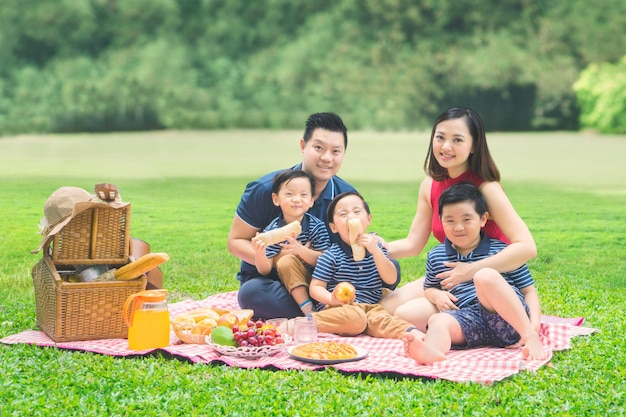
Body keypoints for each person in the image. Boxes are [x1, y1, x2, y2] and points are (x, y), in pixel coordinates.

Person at [380, 106, 537, 327]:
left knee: (406, 314)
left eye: (457, 140)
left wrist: (471, 270)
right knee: (384, 308)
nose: (446, 147)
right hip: (451, 275)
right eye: (440, 137)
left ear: (474, 146)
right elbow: (413, 244)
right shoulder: (429, 185)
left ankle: (458, 326)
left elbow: (527, 247)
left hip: (492, 280)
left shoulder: (487, 188)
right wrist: (374, 248)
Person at [228, 112, 358, 319]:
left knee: (387, 269)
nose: (326, 158)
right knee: (252, 294)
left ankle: (325, 308)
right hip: (271, 281)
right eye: (318, 148)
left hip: (322, 281)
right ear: (302, 146)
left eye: (336, 151)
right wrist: (275, 258)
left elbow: (350, 254)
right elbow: (236, 241)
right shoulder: (265, 189)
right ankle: (330, 313)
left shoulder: (347, 198)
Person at [403, 182, 547, 363]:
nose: (458, 227)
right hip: (469, 320)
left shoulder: (502, 252)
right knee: (437, 320)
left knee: (484, 276)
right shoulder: (436, 256)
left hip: (508, 320)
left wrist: (533, 329)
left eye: (466, 219)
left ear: (483, 219)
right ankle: (430, 352)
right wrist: (437, 295)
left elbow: (529, 291)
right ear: (440, 221)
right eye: (450, 220)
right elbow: (429, 287)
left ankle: (530, 339)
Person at [282, 191, 415, 340]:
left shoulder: (377, 248)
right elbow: (315, 287)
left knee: (386, 320)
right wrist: (332, 299)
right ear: (333, 227)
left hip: (370, 308)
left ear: (369, 219)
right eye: (343, 214)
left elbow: (391, 279)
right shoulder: (331, 255)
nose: (351, 217)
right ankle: (300, 324)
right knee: (355, 318)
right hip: (338, 308)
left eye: (357, 212)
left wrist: (376, 251)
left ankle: (416, 336)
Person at [251, 169, 330, 315]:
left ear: (311, 201)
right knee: (286, 261)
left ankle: (321, 304)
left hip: (317, 280)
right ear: (276, 199)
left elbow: (325, 260)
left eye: (303, 194)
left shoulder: (316, 226)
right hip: (291, 285)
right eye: (289, 194)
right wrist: (259, 253)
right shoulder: (272, 231)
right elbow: (265, 270)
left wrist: (300, 250)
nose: (296, 199)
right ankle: (308, 310)